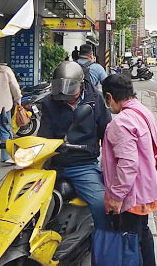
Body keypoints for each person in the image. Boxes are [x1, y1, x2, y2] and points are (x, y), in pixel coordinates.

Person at [98, 73, 157, 266]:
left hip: (131, 193)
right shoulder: (143, 111)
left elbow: (127, 164)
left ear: (109, 97)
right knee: (142, 232)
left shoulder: (120, 123)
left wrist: (115, 196)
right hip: (147, 187)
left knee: (128, 241)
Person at [38, 61, 110, 230]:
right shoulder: (50, 102)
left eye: (70, 88)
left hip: (82, 164)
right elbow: (44, 133)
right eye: (60, 87)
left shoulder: (95, 100)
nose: (65, 93)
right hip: (52, 162)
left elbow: (107, 132)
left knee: (101, 204)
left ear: (81, 85)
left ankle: (102, 237)